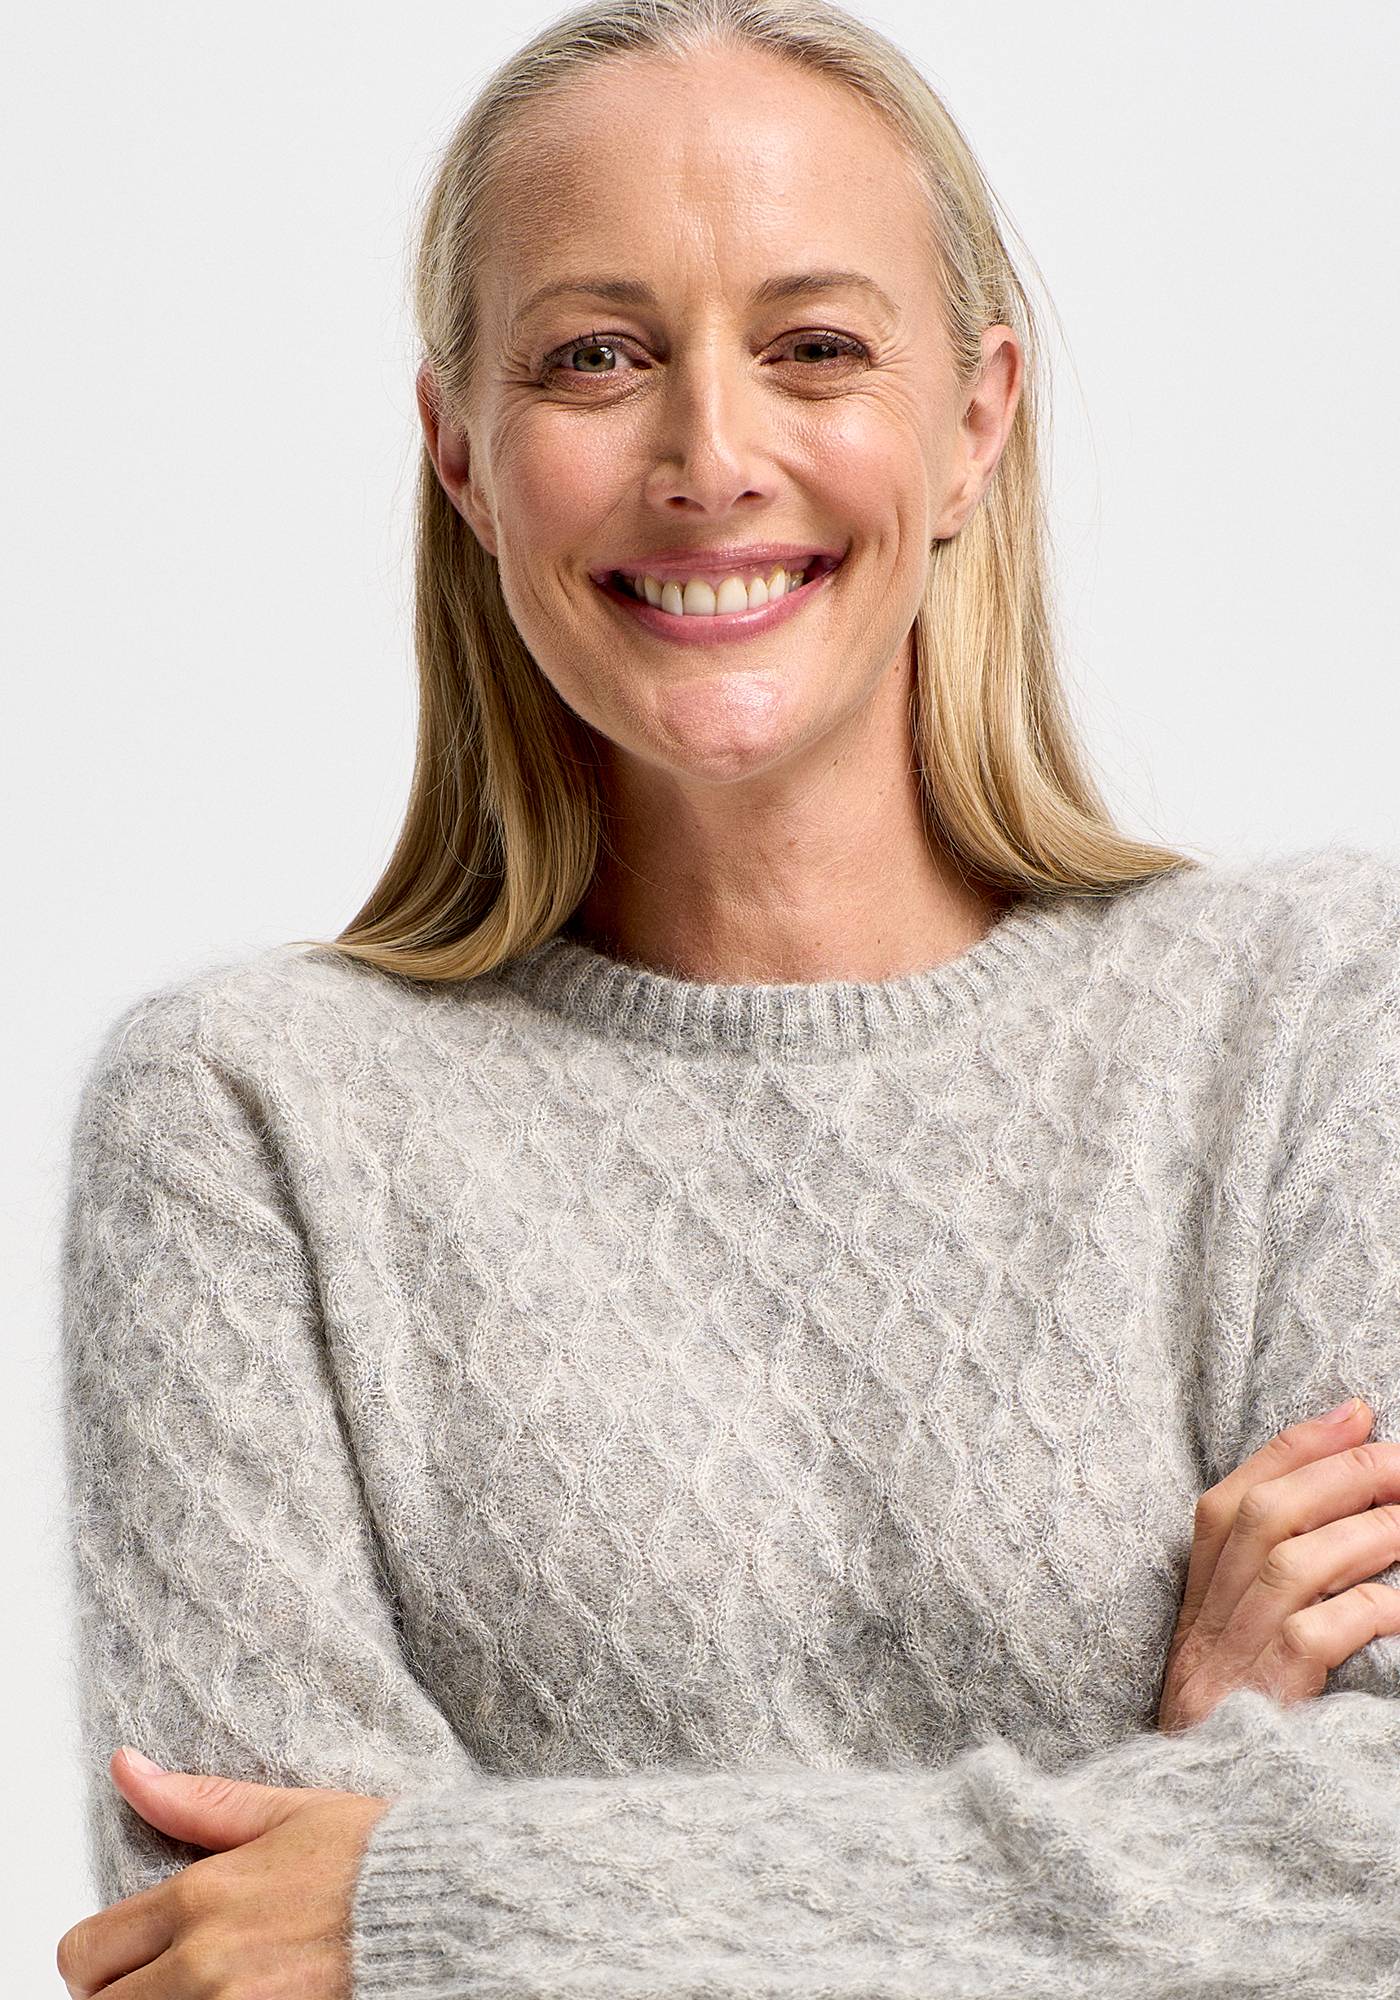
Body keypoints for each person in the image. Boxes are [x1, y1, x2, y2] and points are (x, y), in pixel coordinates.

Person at [56, 0, 1400, 1994]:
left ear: (973, 422)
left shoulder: (1304, 1024)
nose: (709, 457)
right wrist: (1175, 1814)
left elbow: (1381, 1859)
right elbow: (242, 1960)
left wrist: (442, 1908)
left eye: (817, 348)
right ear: (461, 450)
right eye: (595, 358)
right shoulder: (248, 1123)